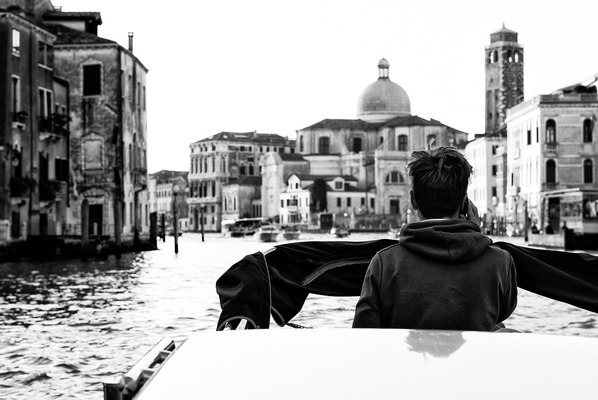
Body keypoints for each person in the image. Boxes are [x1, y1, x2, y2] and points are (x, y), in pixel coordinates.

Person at [352, 146, 518, 331]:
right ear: (465, 203)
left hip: (406, 360)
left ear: (413, 200)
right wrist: (476, 235)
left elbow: (363, 331)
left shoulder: (384, 263)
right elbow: (502, 311)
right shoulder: (500, 261)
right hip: (472, 359)